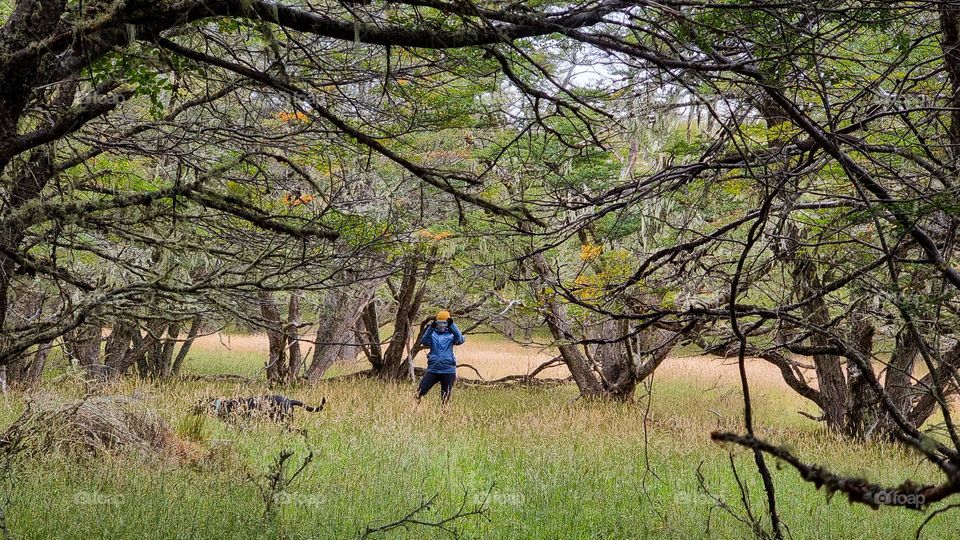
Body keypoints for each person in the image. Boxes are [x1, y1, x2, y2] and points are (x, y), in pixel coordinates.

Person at [416, 310, 465, 404]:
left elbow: (460, 340)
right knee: (419, 392)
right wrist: (431, 327)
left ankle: (444, 415)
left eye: (444, 322)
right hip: (433, 370)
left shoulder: (451, 335)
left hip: (448, 370)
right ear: (436, 322)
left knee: (445, 397)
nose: (441, 325)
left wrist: (452, 325)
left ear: (448, 323)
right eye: (439, 322)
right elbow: (424, 341)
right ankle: (413, 411)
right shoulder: (432, 334)